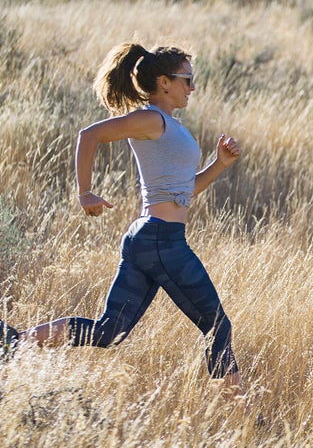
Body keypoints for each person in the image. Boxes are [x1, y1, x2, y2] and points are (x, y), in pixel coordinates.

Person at [1, 42, 243, 394]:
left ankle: (14, 342)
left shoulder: (171, 126)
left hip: (150, 238)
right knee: (217, 325)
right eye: (186, 79)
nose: (192, 87)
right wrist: (85, 192)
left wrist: (219, 165)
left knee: (109, 332)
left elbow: (184, 191)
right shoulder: (151, 119)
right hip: (161, 240)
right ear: (164, 81)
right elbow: (90, 135)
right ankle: (242, 413)